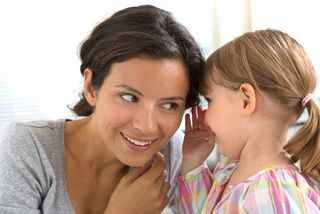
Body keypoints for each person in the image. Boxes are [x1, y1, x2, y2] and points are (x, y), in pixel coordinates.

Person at [0, 5, 205, 214]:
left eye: (169, 105)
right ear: (90, 88)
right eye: (129, 97)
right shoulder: (29, 150)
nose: (147, 126)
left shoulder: (176, 154)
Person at [176, 29, 320, 213]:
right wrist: (194, 162)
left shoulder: (272, 193)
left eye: (210, 100)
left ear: (246, 100)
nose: (204, 113)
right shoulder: (231, 170)